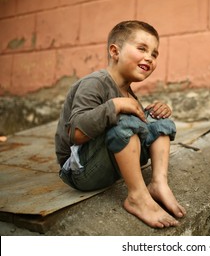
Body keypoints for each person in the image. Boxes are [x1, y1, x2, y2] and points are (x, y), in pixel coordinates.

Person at [54, 20, 186, 229]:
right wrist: (115, 106)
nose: (149, 58)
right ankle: (137, 197)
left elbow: (136, 130)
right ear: (115, 52)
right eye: (142, 49)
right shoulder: (94, 83)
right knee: (125, 119)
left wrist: (153, 114)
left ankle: (159, 183)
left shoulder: (128, 92)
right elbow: (76, 133)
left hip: (108, 165)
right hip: (80, 170)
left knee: (156, 118)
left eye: (154, 54)